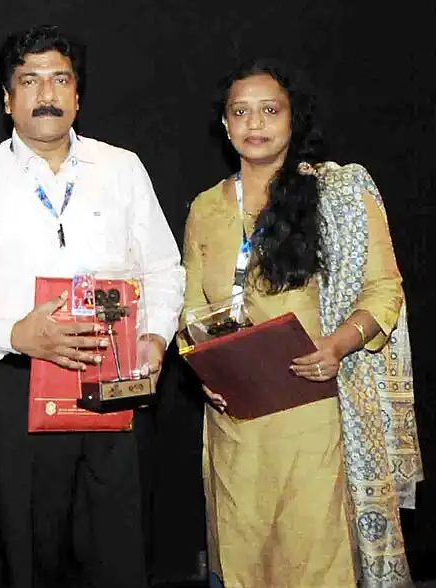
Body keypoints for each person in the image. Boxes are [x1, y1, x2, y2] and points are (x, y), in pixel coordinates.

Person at [0, 24, 185, 587]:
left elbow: (163, 268)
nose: (47, 94)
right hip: (17, 389)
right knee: (33, 557)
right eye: (30, 81)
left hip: (119, 379)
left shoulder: (122, 169)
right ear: (7, 99)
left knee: (121, 551)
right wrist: (17, 334)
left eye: (60, 79)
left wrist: (156, 337)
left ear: (78, 94)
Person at [181, 58, 423, 587]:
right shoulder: (204, 207)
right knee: (244, 557)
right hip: (235, 420)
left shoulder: (337, 193)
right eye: (240, 112)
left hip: (316, 410)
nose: (255, 123)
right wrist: (207, 373)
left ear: (293, 119)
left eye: (270, 110)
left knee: (315, 558)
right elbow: (191, 312)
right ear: (225, 125)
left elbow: (385, 290)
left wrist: (337, 344)